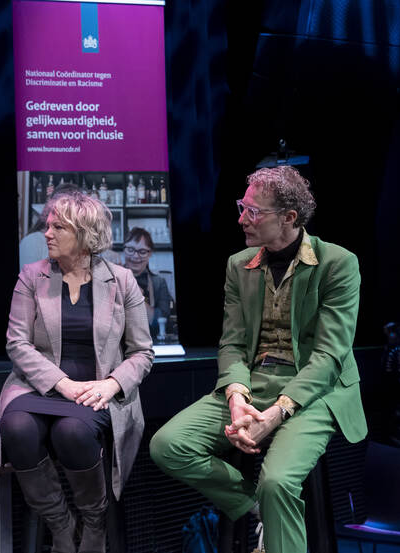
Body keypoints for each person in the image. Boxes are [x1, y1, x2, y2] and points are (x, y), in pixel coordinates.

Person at [150, 166, 366, 553]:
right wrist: (236, 397)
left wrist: (277, 413)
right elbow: (231, 343)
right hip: (254, 381)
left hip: (314, 390)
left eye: (253, 211)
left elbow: (329, 355)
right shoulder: (239, 264)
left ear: (288, 218)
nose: (241, 219)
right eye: (241, 207)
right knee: (168, 444)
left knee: (278, 482)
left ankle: (269, 503)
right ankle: (255, 508)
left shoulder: (338, 263)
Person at [0, 192, 154, 553]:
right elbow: (17, 344)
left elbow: (142, 353)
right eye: (47, 225)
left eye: (58, 227)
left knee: (72, 432)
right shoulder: (31, 277)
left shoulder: (121, 281)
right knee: (16, 428)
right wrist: (62, 384)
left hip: (96, 391)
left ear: (85, 233)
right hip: (36, 387)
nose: (47, 234)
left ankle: (95, 522)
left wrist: (112, 384)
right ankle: (62, 526)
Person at [122, 227, 172, 341]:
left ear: (150, 254)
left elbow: (161, 321)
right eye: (130, 249)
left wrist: (136, 296)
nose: (135, 256)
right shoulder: (112, 278)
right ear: (124, 249)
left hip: (150, 344)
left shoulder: (159, 283)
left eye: (142, 252)